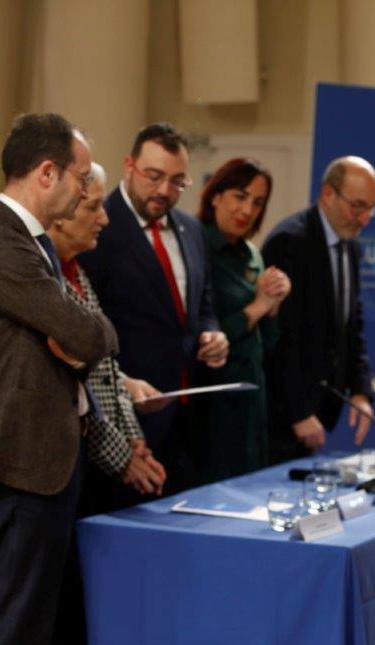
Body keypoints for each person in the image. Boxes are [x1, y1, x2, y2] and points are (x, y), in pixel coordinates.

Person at [0, 112, 119, 645]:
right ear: (47, 173)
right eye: (78, 176)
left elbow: (82, 336)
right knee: (14, 635)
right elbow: (91, 332)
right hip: (20, 464)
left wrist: (83, 339)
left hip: (44, 460)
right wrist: (86, 338)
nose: (84, 190)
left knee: (34, 634)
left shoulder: (31, 242)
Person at [44, 162, 168, 645]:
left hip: (91, 467)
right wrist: (122, 459)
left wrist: (135, 443)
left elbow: (107, 375)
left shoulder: (79, 274)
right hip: (60, 469)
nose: (104, 220)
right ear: (61, 211)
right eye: (93, 207)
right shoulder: (46, 278)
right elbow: (70, 392)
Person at [78, 123, 229, 494]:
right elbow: (86, 325)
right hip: (124, 418)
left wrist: (213, 332)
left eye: (178, 182)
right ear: (129, 166)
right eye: (155, 176)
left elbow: (203, 302)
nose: (164, 191)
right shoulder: (95, 226)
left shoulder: (192, 230)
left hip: (188, 417)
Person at [262, 156, 375, 461]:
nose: (364, 219)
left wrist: (361, 391)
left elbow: (352, 323)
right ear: (328, 193)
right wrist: (298, 412)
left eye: (371, 208)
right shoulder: (290, 241)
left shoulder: (350, 244)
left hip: (322, 409)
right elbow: (278, 340)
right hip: (281, 416)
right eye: (357, 206)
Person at [193, 158, 290, 480]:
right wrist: (258, 306)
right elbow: (201, 333)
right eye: (239, 195)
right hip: (213, 402)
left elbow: (271, 341)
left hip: (253, 395)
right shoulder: (196, 244)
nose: (247, 209)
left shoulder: (251, 253)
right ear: (216, 195)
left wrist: (274, 303)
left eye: (257, 202)